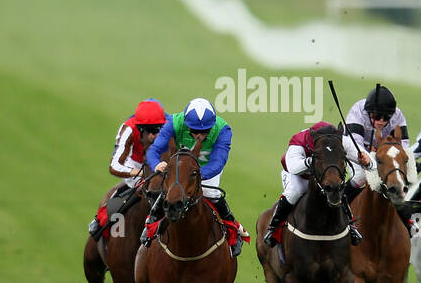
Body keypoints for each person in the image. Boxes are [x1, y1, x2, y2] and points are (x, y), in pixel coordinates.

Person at [140, 98, 249, 257]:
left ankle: (233, 232)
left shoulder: (223, 130)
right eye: (194, 130)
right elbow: (154, 150)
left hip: (206, 169)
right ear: (186, 123)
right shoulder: (174, 123)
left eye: (205, 131)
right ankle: (150, 225)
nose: (200, 135)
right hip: (179, 167)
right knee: (169, 192)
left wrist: (196, 176)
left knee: (211, 194)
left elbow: (218, 162)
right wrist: (156, 163)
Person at [263, 121, 367, 247]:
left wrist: (367, 162)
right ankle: (274, 228)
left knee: (338, 188)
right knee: (295, 191)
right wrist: (315, 160)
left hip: (324, 175)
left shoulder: (339, 140)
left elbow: (366, 158)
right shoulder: (298, 142)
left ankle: (351, 226)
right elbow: (294, 167)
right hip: (299, 175)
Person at [87, 98, 166, 241]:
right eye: (147, 131)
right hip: (136, 163)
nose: (151, 136)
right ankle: (102, 220)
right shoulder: (128, 129)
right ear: (139, 128)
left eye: (156, 130)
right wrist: (141, 173)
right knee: (136, 186)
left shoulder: (170, 126)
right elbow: (114, 166)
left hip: (160, 163)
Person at [343, 83, 416, 203]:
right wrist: (369, 157)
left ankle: (407, 217)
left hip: (381, 154)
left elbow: (403, 146)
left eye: (386, 117)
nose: (381, 121)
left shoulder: (397, 115)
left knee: (401, 179)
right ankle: (341, 200)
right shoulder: (358, 111)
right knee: (361, 177)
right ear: (369, 112)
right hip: (355, 150)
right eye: (377, 116)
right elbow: (355, 145)